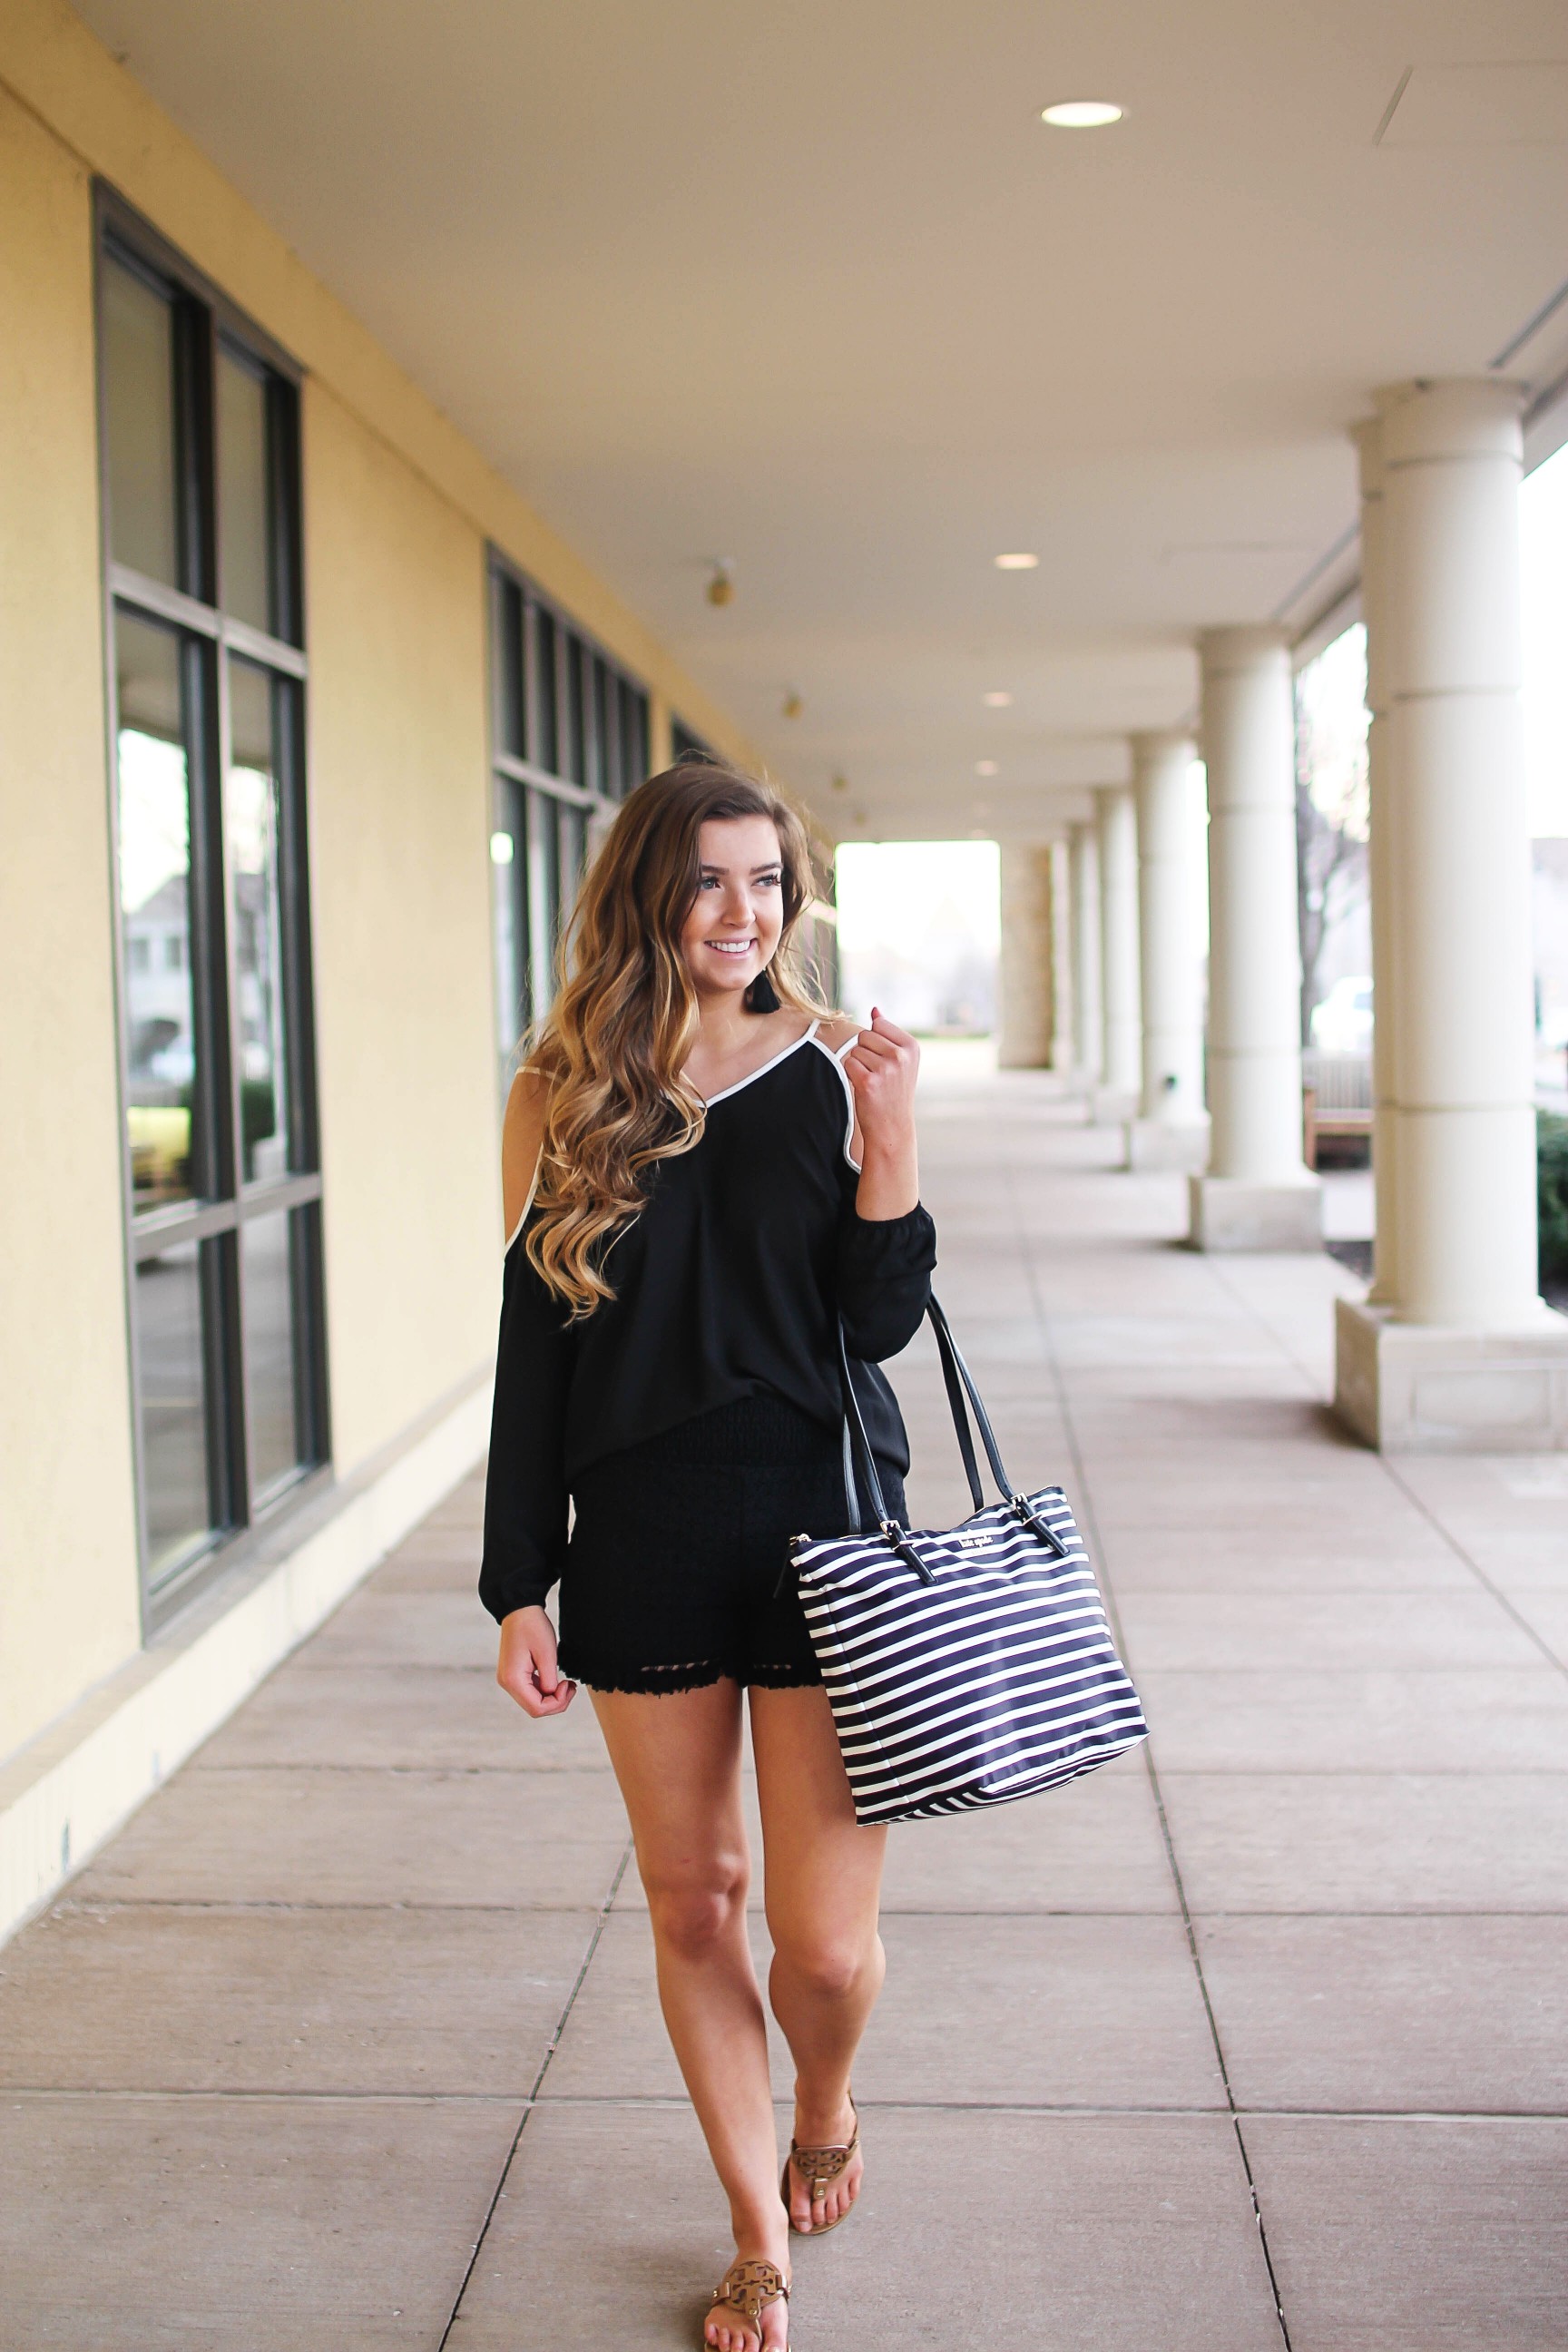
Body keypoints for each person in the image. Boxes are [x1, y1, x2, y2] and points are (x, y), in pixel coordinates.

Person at [480, 758, 935, 2351]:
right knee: (696, 1902)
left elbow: (876, 1328)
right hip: (647, 1538)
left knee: (821, 1940)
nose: (742, 913)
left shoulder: (827, 1067)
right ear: (647, 894)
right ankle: (757, 2238)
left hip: (823, 1528)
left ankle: (828, 2096)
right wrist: (517, 1578)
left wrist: (891, 1145)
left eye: (769, 881)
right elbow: (536, 1344)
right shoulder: (562, 1090)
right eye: (709, 880)